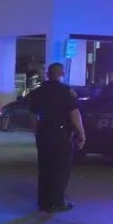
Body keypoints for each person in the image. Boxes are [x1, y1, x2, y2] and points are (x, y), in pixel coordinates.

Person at [26, 62, 86, 212]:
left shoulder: (37, 92)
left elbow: (32, 117)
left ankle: (44, 202)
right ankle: (57, 202)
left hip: (43, 134)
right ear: (62, 74)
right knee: (60, 169)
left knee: (44, 168)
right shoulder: (66, 91)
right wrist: (81, 132)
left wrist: (37, 132)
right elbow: (74, 113)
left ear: (48, 74)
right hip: (60, 134)